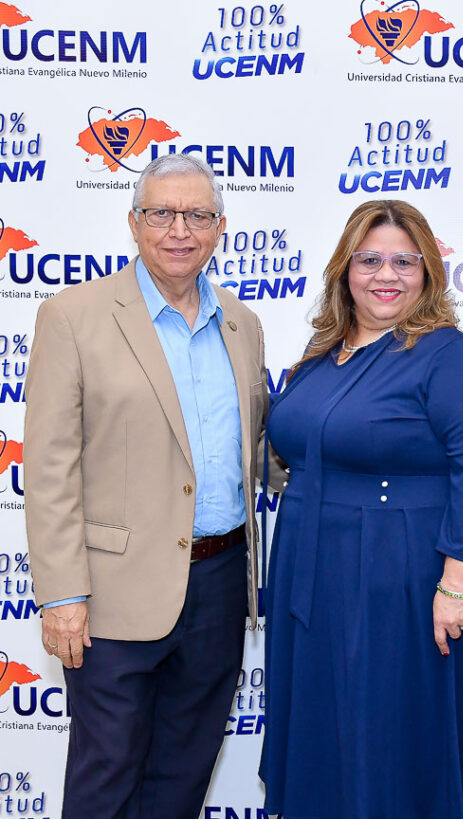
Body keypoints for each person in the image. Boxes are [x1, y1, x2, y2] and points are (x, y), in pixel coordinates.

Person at [24, 153, 267, 818]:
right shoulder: (73, 316)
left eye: (196, 214)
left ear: (222, 227)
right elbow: (48, 467)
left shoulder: (242, 325)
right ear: (133, 222)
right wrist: (64, 595)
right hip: (111, 595)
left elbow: (258, 450)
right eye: (161, 212)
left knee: (183, 776)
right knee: (106, 776)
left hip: (218, 588)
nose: (178, 229)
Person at [259, 200, 463, 819]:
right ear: (345, 269)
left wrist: (457, 584)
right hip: (311, 572)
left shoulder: (446, 354)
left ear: (428, 272)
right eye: (370, 259)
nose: (387, 275)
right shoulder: (321, 356)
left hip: (398, 577)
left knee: (387, 734)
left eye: (405, 261)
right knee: (320, 726)